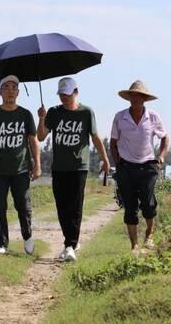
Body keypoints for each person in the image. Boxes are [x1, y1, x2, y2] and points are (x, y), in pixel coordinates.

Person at [37, 77, 110, 262]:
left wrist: (105, 159)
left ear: (76, 91)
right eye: (61, 94)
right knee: (62, 207)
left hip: (79, 167)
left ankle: (69, 245)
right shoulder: (54, 112)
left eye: (67, 94)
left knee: (75, 207)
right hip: (59, 167)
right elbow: (40, 137)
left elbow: (95, 137)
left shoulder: (86, 112)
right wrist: (41, 118)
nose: (64, 98)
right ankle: (72, 242)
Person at [0, 75, 42, 255]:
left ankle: (27, 236)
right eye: (6, 87)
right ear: (0, 92)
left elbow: (33, 141)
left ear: (18, 92)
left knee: (23, 205)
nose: (10, 91)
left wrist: (37, 165)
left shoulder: (25, 114)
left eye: (14, 88)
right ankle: (1, 243)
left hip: (21, 169)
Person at [110, 80, 168, 254]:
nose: (135, 99)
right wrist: (117, 162)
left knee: (148, 203)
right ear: (129, 98)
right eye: (132, 96)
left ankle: (149, 236)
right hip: (126, 167)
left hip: (148, 165)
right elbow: (113, 142)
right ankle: (134, 245)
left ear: (144, 99)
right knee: (129, 206)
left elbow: (164, 137)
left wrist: (161, 158)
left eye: (138, 97)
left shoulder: (153, 117)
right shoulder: (120, 117)